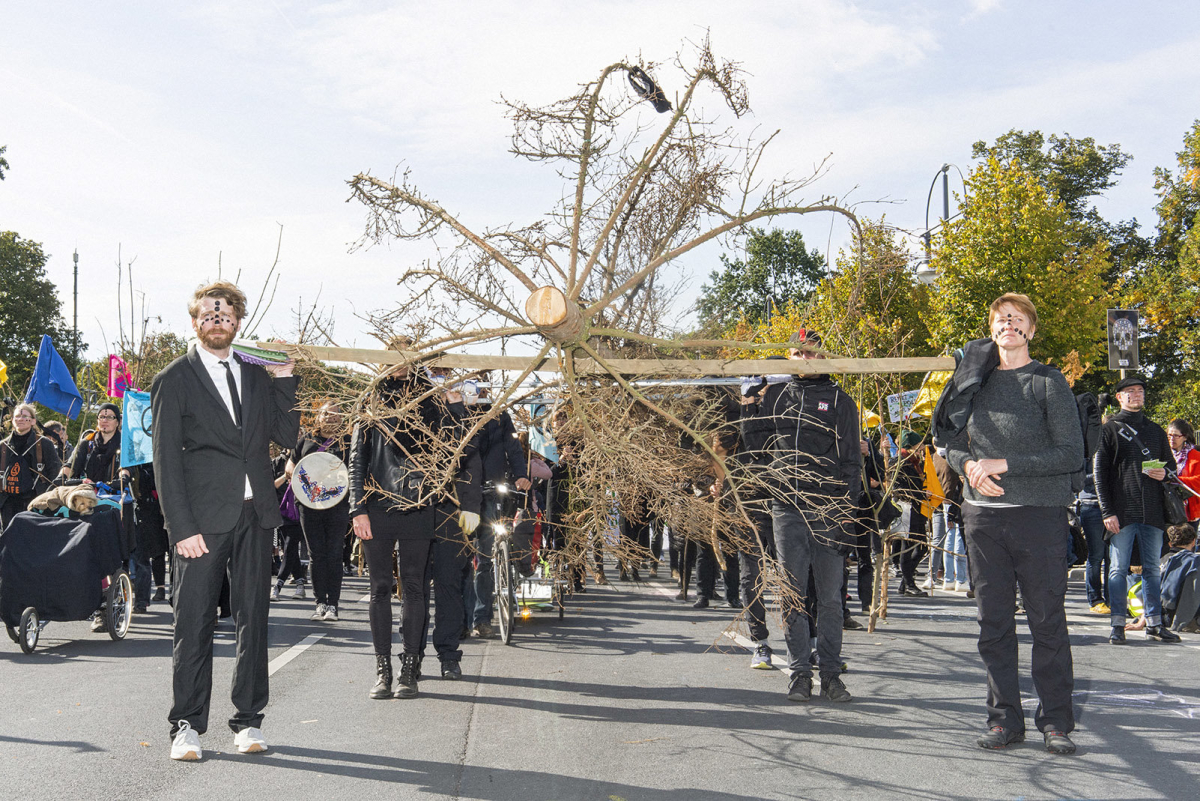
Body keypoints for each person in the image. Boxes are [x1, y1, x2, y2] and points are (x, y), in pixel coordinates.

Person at [151, 281, 299, 762]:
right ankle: (186, 725)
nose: (218, 320)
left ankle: (249, 721)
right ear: (196, 322)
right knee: (192, 622)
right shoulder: (175, 378)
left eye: (227, 314)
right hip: (201, 522)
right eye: (209, 314)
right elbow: (165, 461)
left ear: (238, 321)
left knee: (253, 620)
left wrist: (285, 378)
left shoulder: (256, 375)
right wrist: (180, 527)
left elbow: (285, 434)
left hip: (255, 516)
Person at [945, 293, 1082, 755]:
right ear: (992, 329)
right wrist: (969, 467)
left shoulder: (1048, 381)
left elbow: (1070, 455)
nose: (1008, 324)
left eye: (1017, 318)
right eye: (1001, 318)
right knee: (993, 624)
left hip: (1039, 518)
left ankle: (1057, 722)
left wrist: (1003, 463)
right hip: (982, 519)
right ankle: (1004, 720)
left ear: (1031, 330)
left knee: (1047, 622)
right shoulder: (971, 383)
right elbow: (949, 441)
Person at [740, 327, 860, 704]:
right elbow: (754, 445)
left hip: (828, 511)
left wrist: (847, 516)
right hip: (786, 509)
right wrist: (748, 405)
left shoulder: (840, 400)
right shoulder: (775, 396)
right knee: (792, 595)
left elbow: (852, 464)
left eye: (812, 353)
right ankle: (799, 675)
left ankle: (831, 676)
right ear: (789, 358)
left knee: (829, 598)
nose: (806, 359)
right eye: (799, 353)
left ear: (823, 357)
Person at [350, 363, 475, 700]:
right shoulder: (371, 399)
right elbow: (357, 458)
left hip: (418, 505)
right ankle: (383, 670)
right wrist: (357, 508)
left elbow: (454, 448)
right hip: (376, 506)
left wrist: (455, 407)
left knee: (414, 587)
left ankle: (409, 669)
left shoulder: (430, 400)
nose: (398, 366)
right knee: (379, 588)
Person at [1093, 374, 1181, 645]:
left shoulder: (1155, 430)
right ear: (1119, 397)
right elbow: (1099, 473)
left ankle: (1154, 624)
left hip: (1152, 512)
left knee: (1153, 570)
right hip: (1121, 511)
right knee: (1118, 569)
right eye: (1130, 391)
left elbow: (1171, 468)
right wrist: (1107, 511)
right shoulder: (1109, 429)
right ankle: (1117, 624)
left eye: (1140, 391)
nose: (1136, 395)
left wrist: (1163, 473)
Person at [467, 387, 531, 639]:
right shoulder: (459, 412)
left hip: (493, 489)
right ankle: (464, 618)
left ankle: (482, 618)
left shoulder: (500, 415)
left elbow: (513, 448)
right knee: (463, 558)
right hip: (464, 491)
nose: (482, 392)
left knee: (486, 556)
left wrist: (521, 475)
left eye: (485, 388)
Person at [287, 402, 350, 621]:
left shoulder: (348, 442)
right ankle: (319, 603)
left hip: (337, 506)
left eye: (335, 415)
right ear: (318, 417)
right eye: (326, 414)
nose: (330, 418)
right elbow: (291, 466)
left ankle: (333, 604)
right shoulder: (306, 441)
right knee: (316, 555)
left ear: (341, 419)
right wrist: (297, 477)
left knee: (334, 554)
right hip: (308, 506)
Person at [1, 403, 62, 528]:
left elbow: (55, 473)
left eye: (25, 416)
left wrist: (48, 499)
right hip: (8, 502)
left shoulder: (44, 443)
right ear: (12, 420)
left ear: (33, 421)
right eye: (17, 416)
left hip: (35, 501)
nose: (20, 419)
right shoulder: (3, 446)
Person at [1168, 419, 1200, 523]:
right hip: (1167, 508)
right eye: (1169, 435)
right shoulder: (1162, 454)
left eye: (1176, 436)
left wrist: (1176, 480)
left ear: (1185, 437)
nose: (1172, 439)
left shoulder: (1195, 456)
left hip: (1189, 509)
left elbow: (1198, 480)